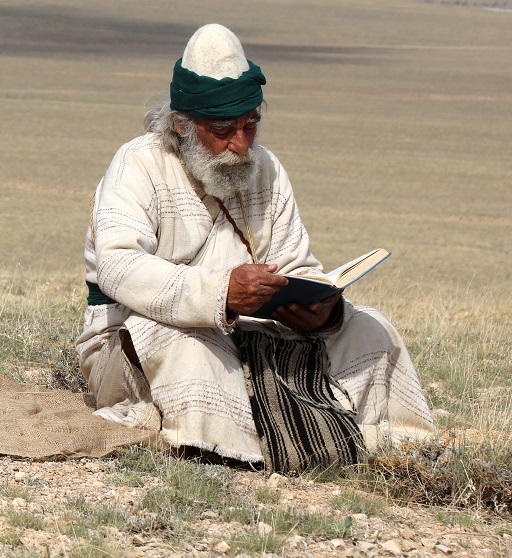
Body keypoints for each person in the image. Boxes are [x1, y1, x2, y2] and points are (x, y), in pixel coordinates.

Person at [74, 23, 436, 464]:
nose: (241, 145)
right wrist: (221, 293)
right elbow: (118, 266)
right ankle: (240, 448)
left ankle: (394, 448)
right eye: (223, 129)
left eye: (250, 125)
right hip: (132, 338)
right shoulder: (138, 164)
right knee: (180, 341)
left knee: (368, 327)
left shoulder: (266, 169)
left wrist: (320, 310)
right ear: (182, 125)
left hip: (248, 335)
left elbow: (294, 264)